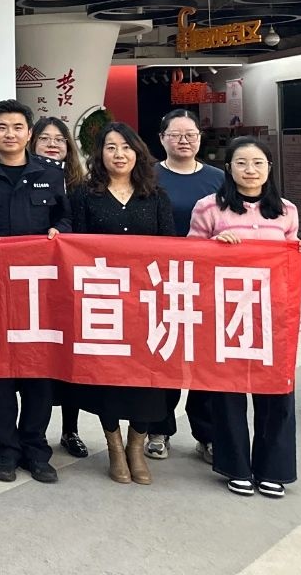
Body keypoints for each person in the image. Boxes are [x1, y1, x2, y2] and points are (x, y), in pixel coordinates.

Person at [189, 136, 301, 499]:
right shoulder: (208, 208)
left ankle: (273, 468)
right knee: (228, 390)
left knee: (276, 389)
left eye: (258, 163)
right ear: (228, 168)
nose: (250, 170)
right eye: (242, 163)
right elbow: (190, 255)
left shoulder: (286, 210)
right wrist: (214, 247)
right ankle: (234, 466)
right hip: (226, 312)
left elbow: (290, 261)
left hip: (273, 313)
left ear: (269, 168)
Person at [0, 99, 71, 485]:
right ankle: (6, 450)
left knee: (39, 372)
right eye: (2, 127)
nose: (10, 134)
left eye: (17, 127)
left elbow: (65, 216)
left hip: (40, 290)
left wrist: (60, 232)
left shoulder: (51, 173)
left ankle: (36, 449)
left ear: (29, 133)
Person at [68, 123, 175, 485]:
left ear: (138, 152)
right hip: (103, 301)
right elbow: (76, 247)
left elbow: (171, 249)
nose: (119, 154)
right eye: (110, 147)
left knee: (148, 378)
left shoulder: (155, 196)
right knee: (108, 378)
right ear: (99, 154)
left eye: (126, 147)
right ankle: (114, 446)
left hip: (147, 304)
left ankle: (136, 446)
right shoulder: (84, 195)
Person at [147, 108, 225, 462]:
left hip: (208, 283)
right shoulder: (148, 176)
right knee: (164, 355)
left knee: (205, 359)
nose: (183, 141)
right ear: (161, 139)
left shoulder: (218, 178)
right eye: (175, 135)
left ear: (199, 138)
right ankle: (159, 429)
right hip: (161, 280)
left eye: (190, 135)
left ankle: (206, 434)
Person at [31, 116, 90, 461]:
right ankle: (35, 432)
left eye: (59, 139)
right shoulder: (27, 178)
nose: (53, 144)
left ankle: (71, 430)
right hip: (36, 281)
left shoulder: (82, 185)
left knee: (70, 357)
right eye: (45, 138)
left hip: (73, 281)